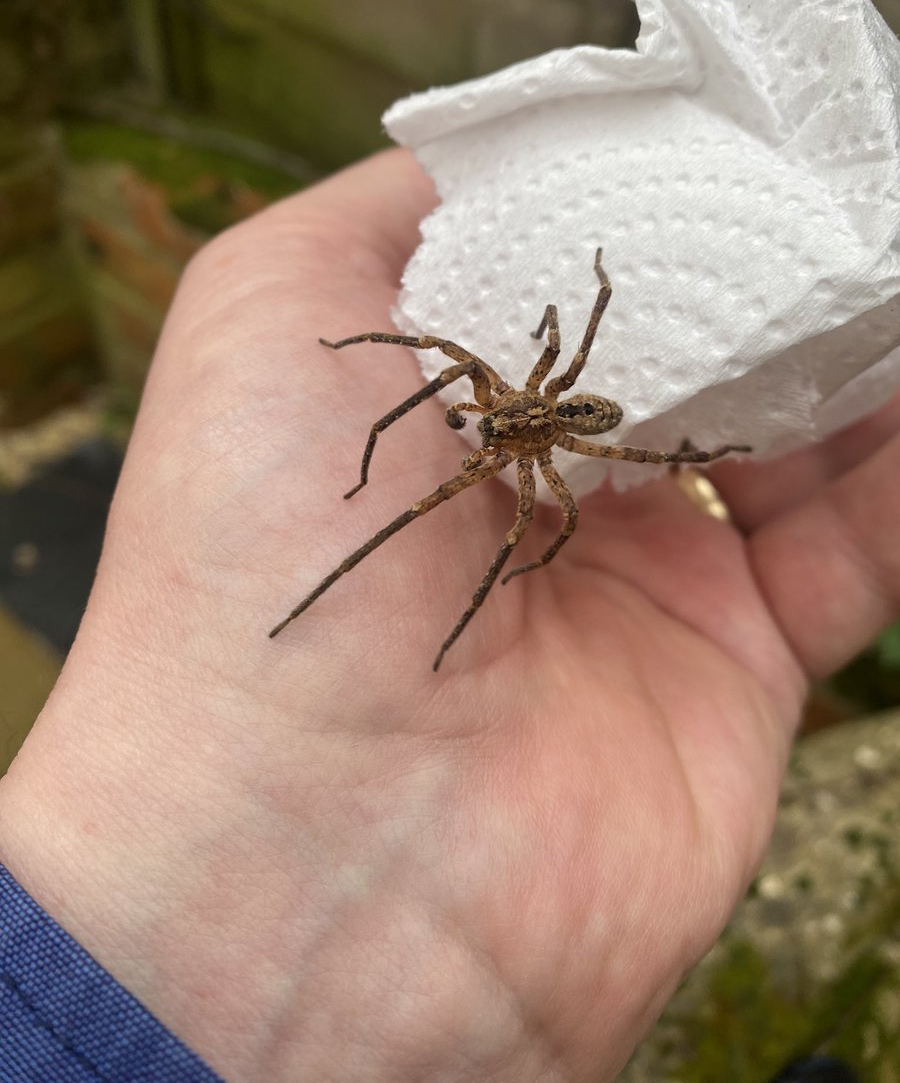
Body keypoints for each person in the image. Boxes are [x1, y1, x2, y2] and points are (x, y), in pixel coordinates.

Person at [0, 150, 897, 1082]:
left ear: (525, 430)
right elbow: (458, 363)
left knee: (474, 508)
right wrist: (362, 368)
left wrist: (528, 552)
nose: (494, 436)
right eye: (496, 429)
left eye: (505, 433)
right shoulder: (502, 402)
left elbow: (557, 491)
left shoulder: (543, 447)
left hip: (573, 413)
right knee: (447, 387)